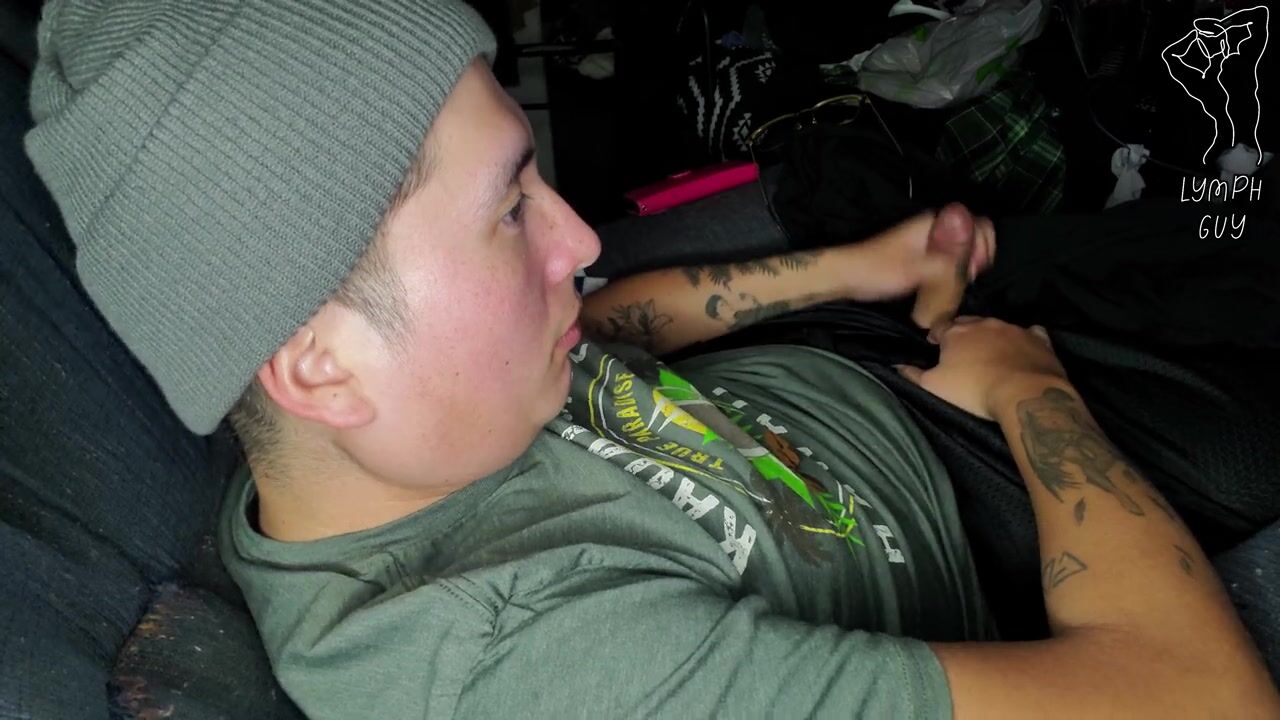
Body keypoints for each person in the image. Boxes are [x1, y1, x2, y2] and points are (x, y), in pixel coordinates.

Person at [23, 1, 1278, 718]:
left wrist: (855, 269)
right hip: (988, 471)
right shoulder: (520, 665)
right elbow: (1196, 697)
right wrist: (1023, 388)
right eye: (509, 209)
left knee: (1181, 244)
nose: (576, 240)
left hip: (865, 357)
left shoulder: (415, 414)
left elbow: (613, 318)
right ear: (321, 366)